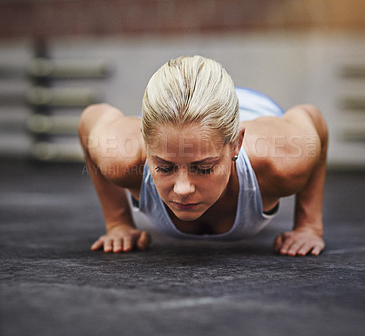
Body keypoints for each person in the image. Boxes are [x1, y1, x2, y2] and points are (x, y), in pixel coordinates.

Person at [79, 55, 328, 256]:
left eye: (204, 168)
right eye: (165, 167)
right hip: (175, 121)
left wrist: (309, 226)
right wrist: (118, 222)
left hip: (252, 110)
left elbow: (311, 117)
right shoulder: (122, 157)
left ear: (236, 145)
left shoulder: (282, 160)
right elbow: (90, 118)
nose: (183, 189)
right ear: (145, 142)